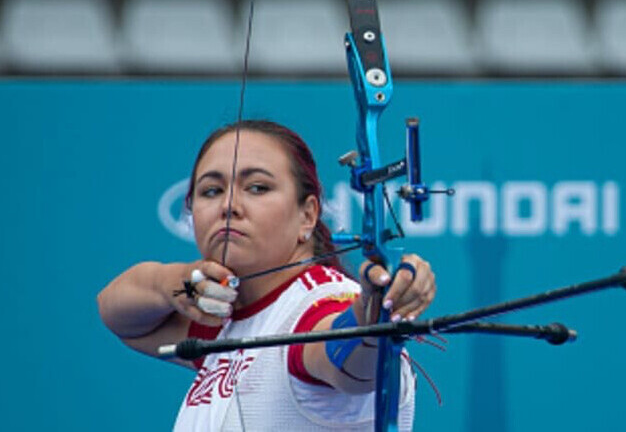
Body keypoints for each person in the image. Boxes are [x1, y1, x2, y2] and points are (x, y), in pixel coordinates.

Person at [98, 120, 436, 431]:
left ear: (308, 215)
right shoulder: (224, 318)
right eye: (211, 191)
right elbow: (116, 313)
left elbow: (349, 360)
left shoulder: (316, 305)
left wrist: (371, 317)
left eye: (257, 188)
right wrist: (175, 281)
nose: (229, 205)